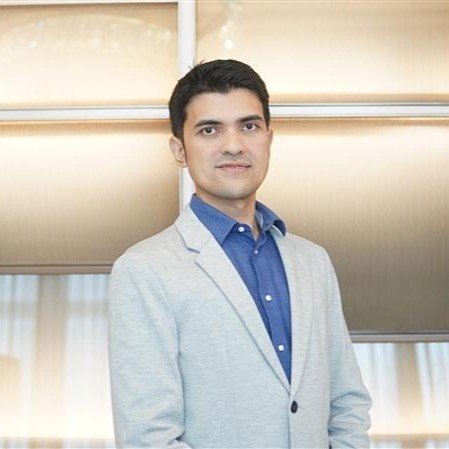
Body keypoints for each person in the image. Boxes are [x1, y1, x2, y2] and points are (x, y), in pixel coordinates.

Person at [108, 59, 372, 449]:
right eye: (209, 130)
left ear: (269, 138)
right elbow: (148, 436)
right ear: (179, 149)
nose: (233, 145)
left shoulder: (312, 261)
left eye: (249, 126)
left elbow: (346, 403)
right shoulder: (145, 269)